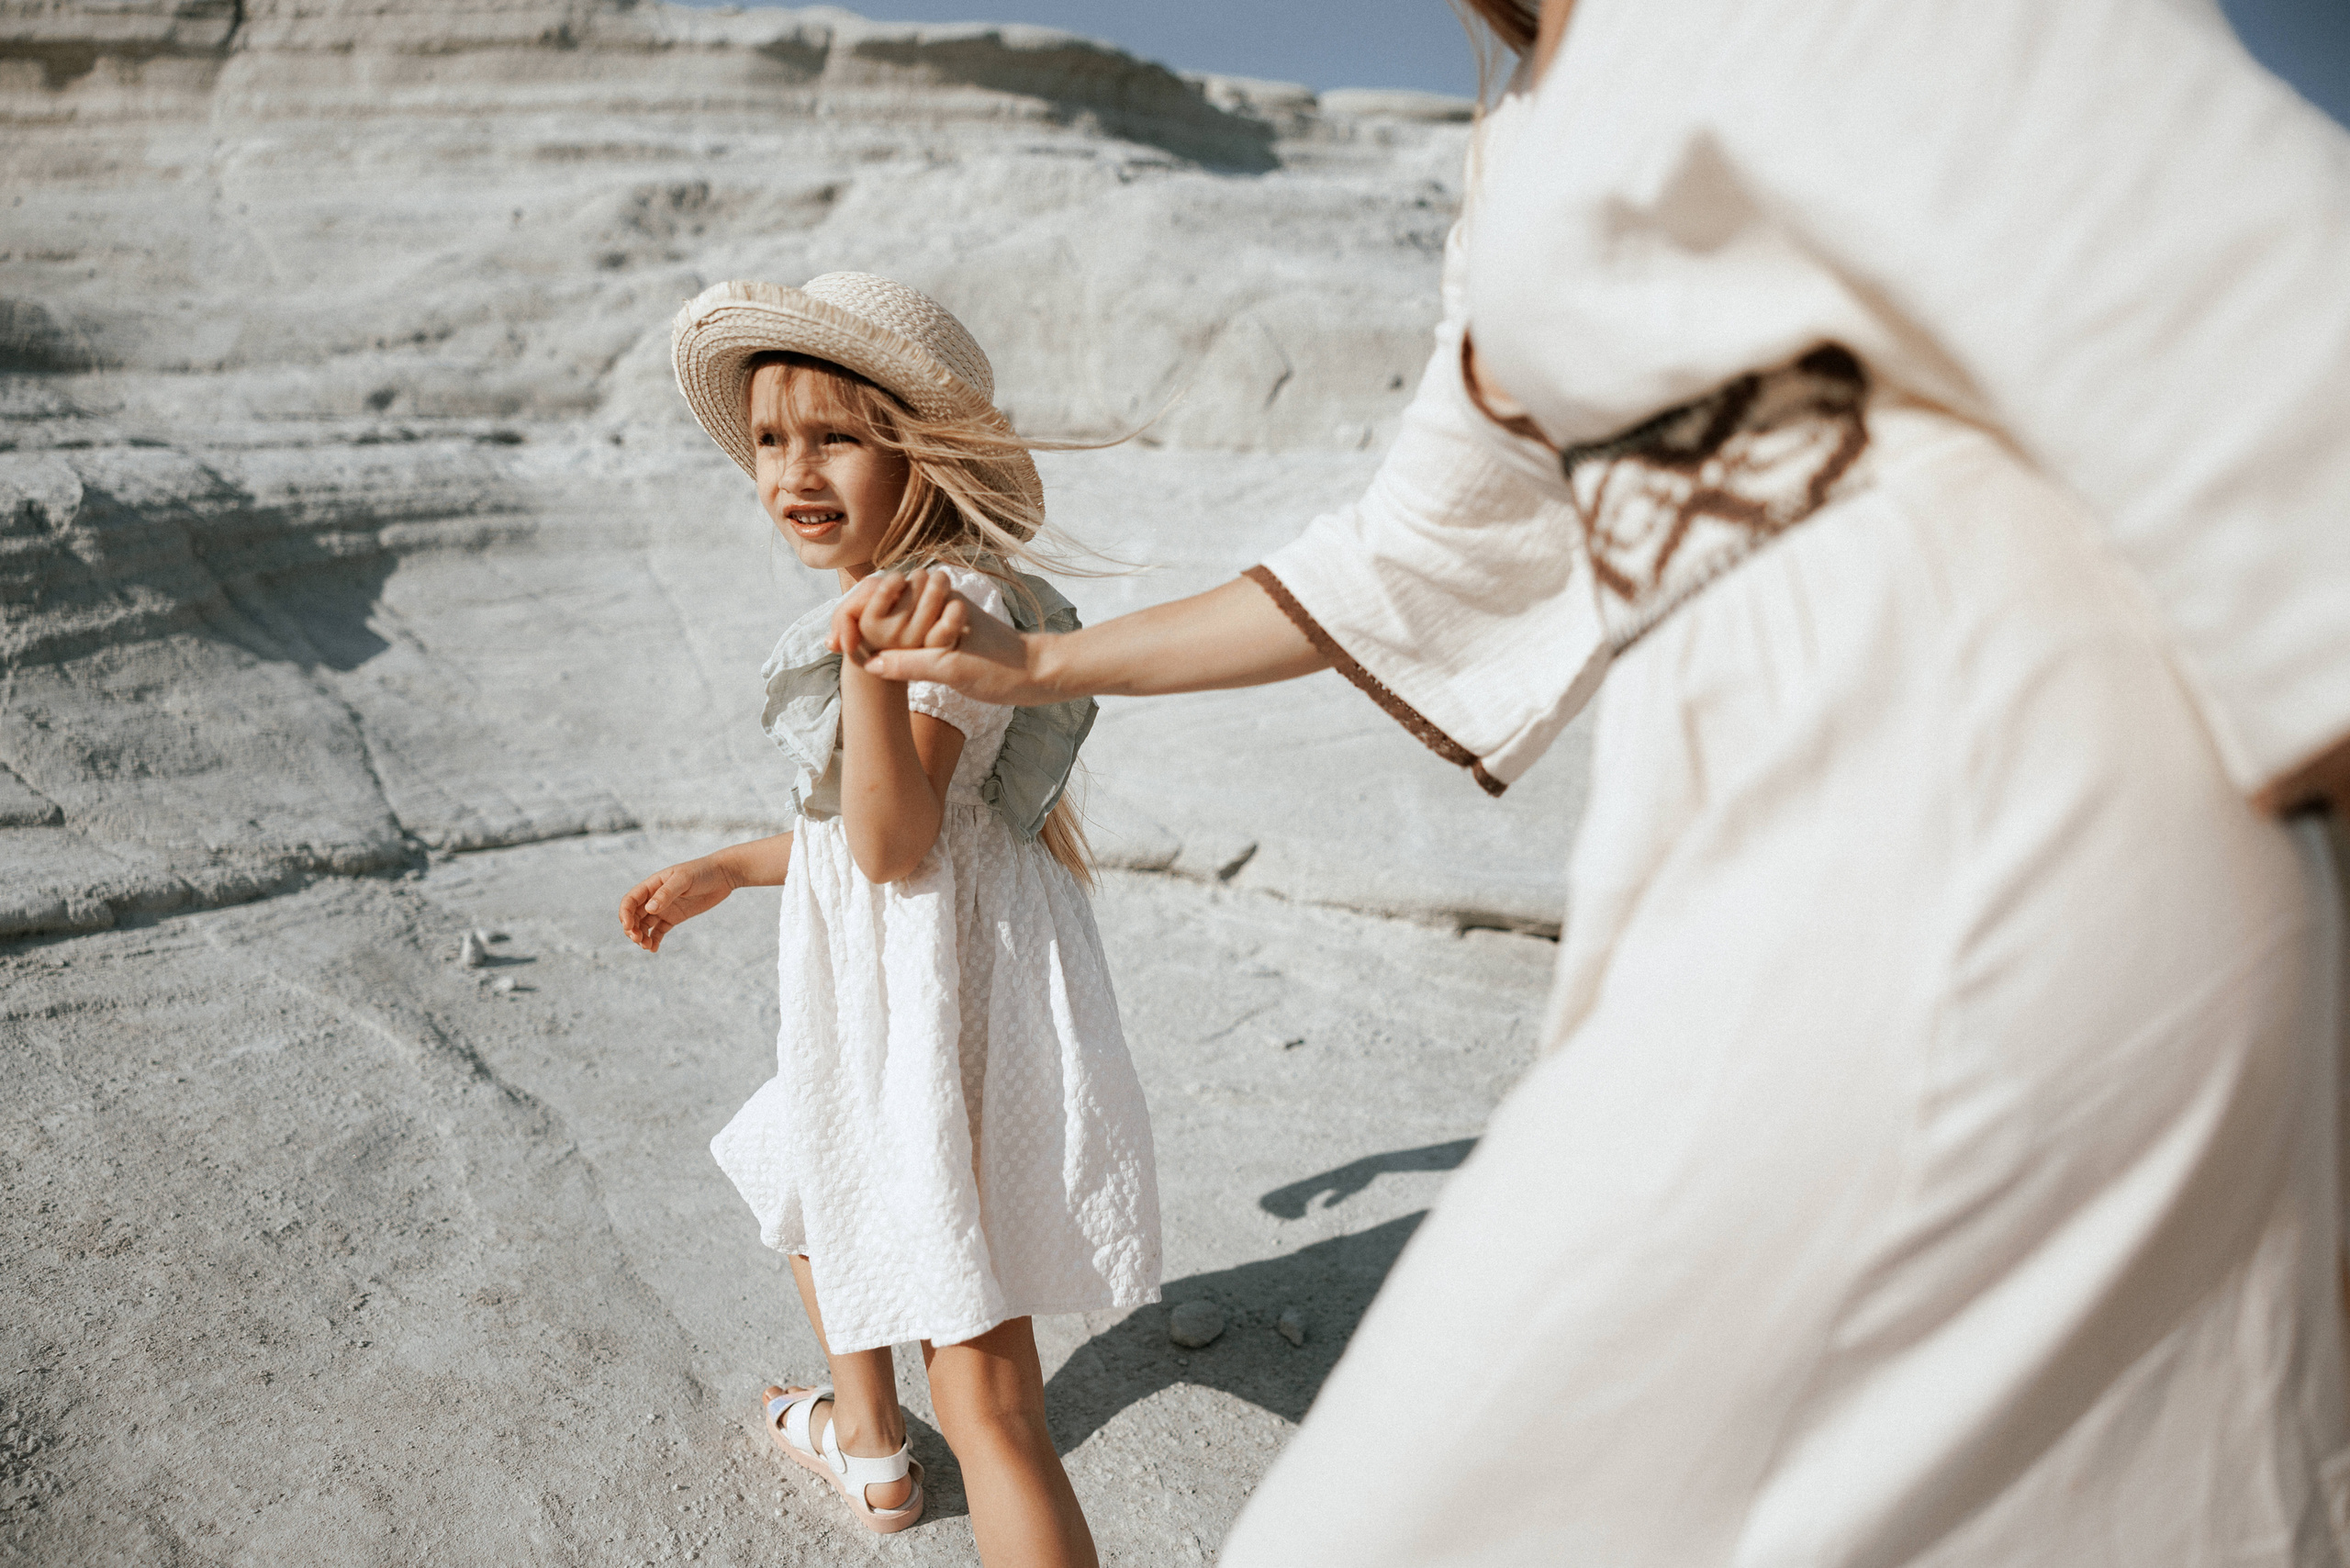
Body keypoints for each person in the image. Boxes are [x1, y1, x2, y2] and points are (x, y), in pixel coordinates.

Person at [831, 0, 2350, 1561]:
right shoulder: (1533, 123)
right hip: (1785, 836)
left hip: (1995, 804)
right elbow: (1410, 556)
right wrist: (1035, 671)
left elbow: (2265, 325)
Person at [617, 273, 1158, 1565]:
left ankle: (887, 1447)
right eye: (768, 441)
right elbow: (887, 833)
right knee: (802, 1172)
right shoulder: (909, 587)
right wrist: (730, 869)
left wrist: (865, 667)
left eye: (836, 437)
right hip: (904, 984)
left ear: (918, 452)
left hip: (936, 1017)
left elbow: (895, 835)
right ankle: (870, 1449)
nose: (792, 473)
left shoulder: (939, 605)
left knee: (992, 1402)